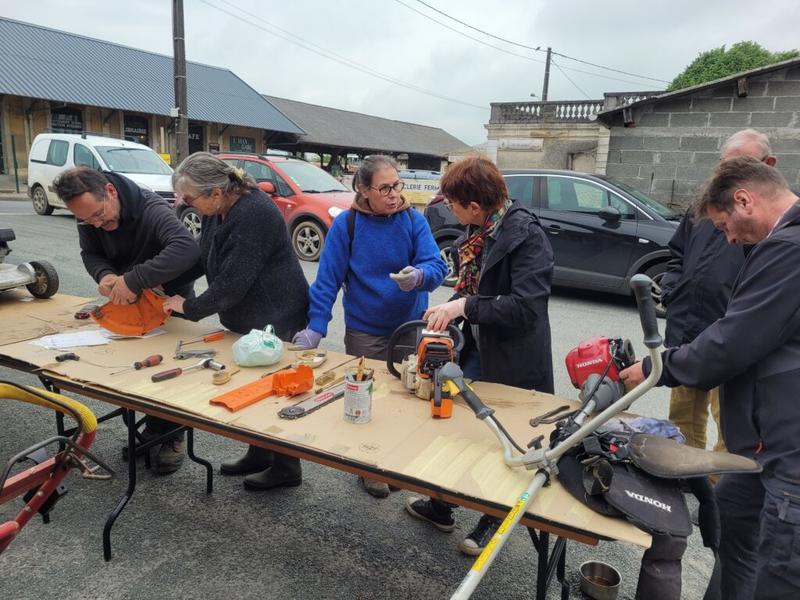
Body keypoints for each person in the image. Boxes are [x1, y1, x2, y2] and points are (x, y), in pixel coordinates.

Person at [620, 156, 800, 599]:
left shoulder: (790, 249)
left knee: (780, 570)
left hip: (790, 450)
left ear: (744, 200)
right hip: (760, 445)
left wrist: (655, 368)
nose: (731, 239)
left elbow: (734, 341)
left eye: (725, 227)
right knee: (733, 517)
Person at [402, 156, 555, 557]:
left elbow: (526, 308)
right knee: (455, 422)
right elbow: (472, 288)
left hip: (515, 356)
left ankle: (492, 518)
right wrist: (446, 309)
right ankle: (442, 504)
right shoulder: (479, 228)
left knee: (501, 438)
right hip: (479, 345)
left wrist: (463, 308)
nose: (448, 209)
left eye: (453, 202)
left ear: (474, 204)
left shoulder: (526, 235)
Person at [291, 154, 447, 498]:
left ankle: (398, 462)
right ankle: (369, 466)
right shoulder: (347, 225)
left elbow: (436, 265)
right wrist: (316, 327)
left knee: (407, 398)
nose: (394, 194)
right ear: (362, 189)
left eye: (397, 185)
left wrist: (420, 276)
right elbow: (327, 280)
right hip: (365, 330)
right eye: (385, 188)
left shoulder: (412, 221)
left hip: (409, 328)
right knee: (366, 400)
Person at [162, 152, 309, 491]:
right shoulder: (219, 208)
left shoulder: (253, 212)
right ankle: (260, 453)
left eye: (190, 197)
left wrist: (189, 306)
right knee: (251, 388)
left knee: (275, 392)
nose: (186, 203)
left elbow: (232, 283)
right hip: (251, 315)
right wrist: (167, 286)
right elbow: (205, 256)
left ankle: (287, 467)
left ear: (216, 192)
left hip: (276, 314)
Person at [53, 166, 200, 474]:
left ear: (110, 191)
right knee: (137, 371)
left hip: (167, 301)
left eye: (99, 214)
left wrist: (135, 279)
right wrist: (104, 275)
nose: (96, 223)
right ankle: (151, 428)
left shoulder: (151, 209)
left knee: (169, 369)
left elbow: (187, 249)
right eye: (87, 220)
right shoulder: (89, 214)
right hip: (130, 302)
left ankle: (172, 435)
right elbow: (90, 253)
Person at [660, 129, 777, 453]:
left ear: (768, 165)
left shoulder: (770, 221)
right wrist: (672, 290)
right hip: (686, 330)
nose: (729, 177)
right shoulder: (706, 206)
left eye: (742, 166)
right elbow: (677, 254)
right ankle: (685, 477)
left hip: (730, 341)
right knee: (681, 416)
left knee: (730, 425)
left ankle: (718, 488)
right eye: (725, 167)